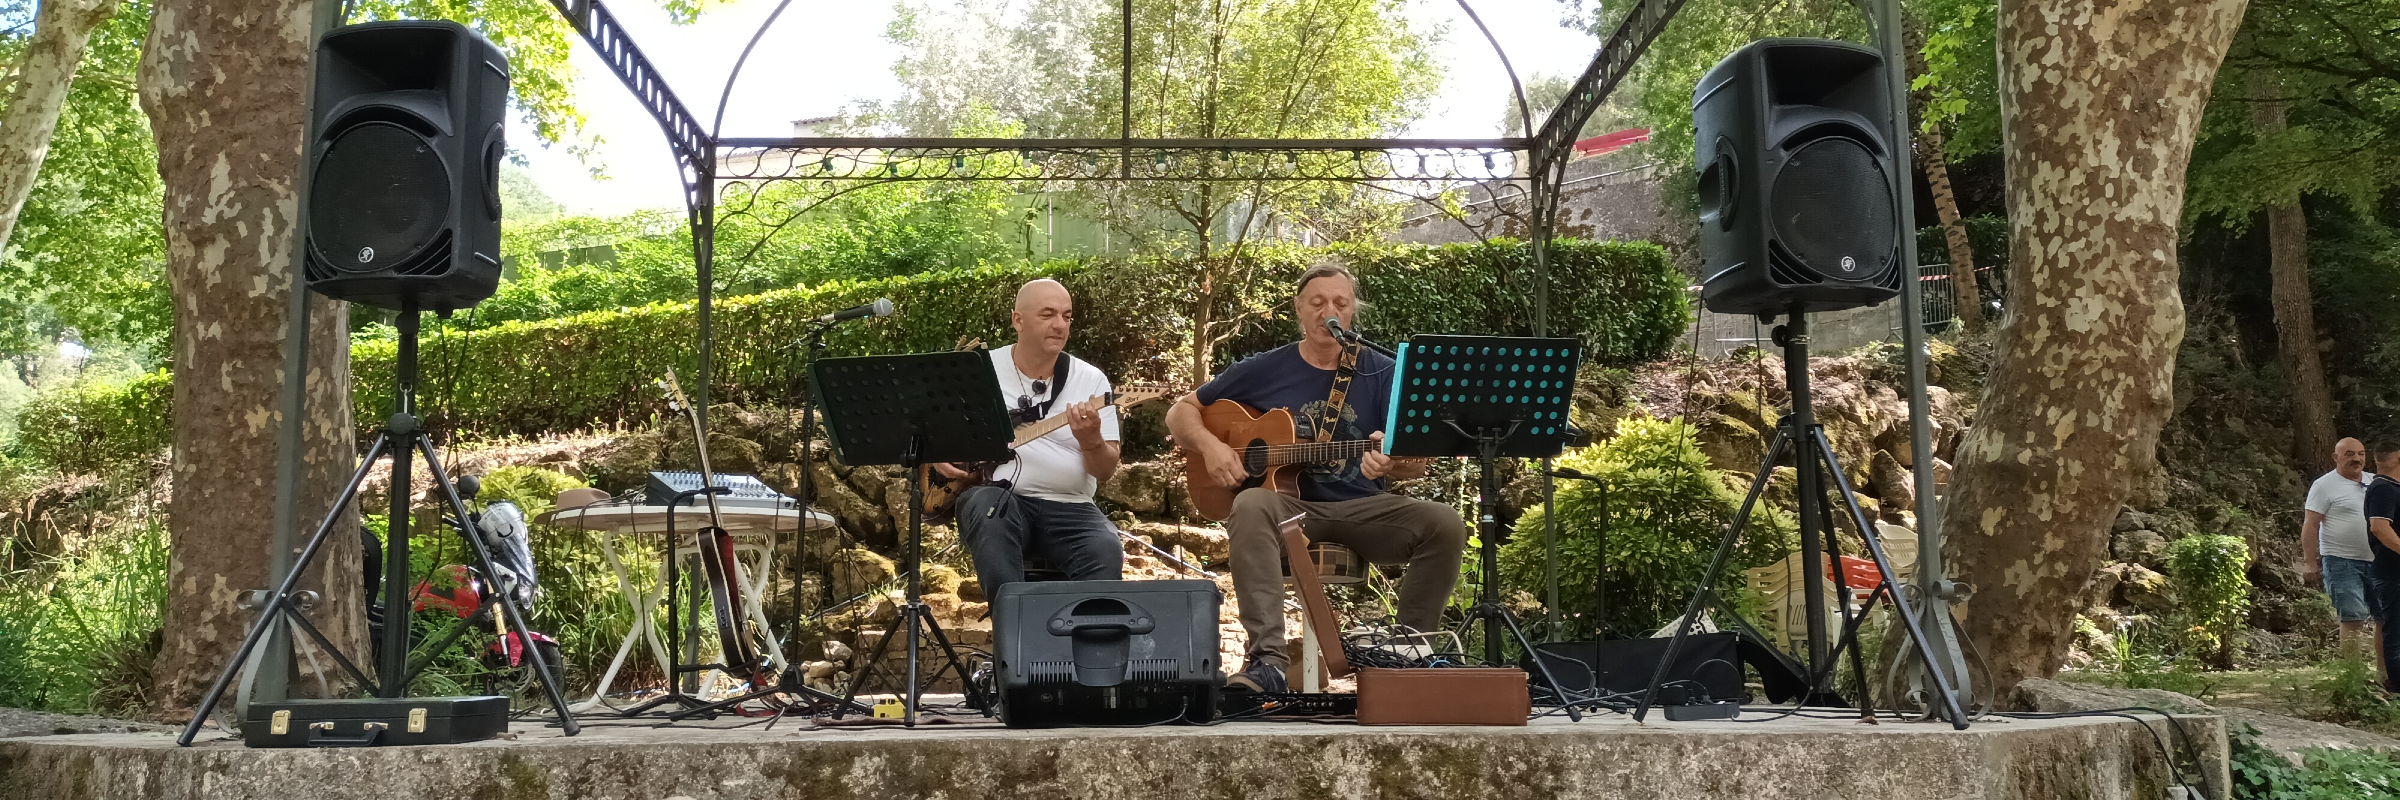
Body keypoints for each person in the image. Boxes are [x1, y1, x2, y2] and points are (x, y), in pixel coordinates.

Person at [1163, 264, 1468, 693]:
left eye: (1340, 303)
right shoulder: (1267, 367)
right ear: (1299, 309)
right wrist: (1212, 447)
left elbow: (1416, 464)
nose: (1330, 311)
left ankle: (1407, 654)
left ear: (1352, 313)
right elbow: (1181, 411)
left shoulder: (1383, 371)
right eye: (1318, 302)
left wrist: (1391, 463)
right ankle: (1267, 662)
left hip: (1361, 506)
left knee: (1445, 523)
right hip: (1289, 507)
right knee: (1249, 504)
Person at [942, 279, 1124, 595]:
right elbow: (934, 427)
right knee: (988, 508)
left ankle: (1091, 640)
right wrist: (937, 452)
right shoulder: (978, 371)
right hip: (999, 498)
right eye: (1048, 314)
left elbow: (1105, 470)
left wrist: (1091, 440)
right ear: (1018, 320)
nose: (1060, 325)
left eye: (1067, 316)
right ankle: (1012, 636)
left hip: (1071, 506)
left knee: (1106, 549)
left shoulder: (1092, 380)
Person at [2304, 438, 2381, 679]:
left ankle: (2385, 674)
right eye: (2349, 454)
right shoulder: (2324, 485)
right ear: (2336, 457)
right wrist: (2310, 562)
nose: (2356, 458)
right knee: (2353, 618)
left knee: (2385, 617)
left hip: (2379, 562)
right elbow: (2310, 524)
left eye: (2360, 453)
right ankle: (2354, 677)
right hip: (2341, 561)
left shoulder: (2374, 482)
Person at [2366, 441, 2400, 692]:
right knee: (2396, 631)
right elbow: (2379, 526)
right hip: (2392, 572)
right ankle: (2396, 686)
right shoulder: (2383, 488)